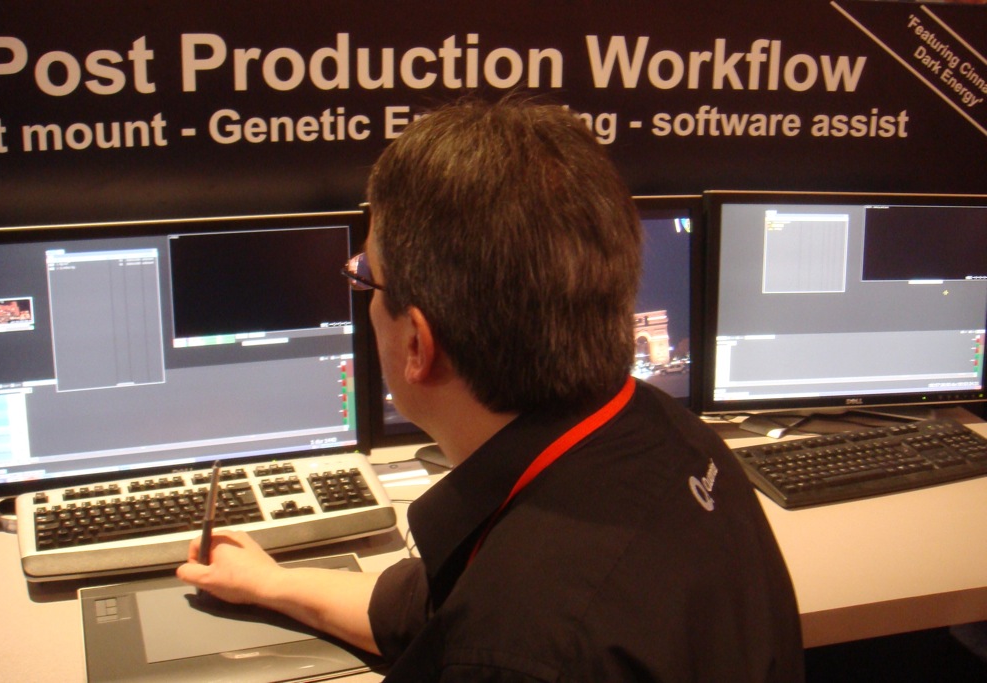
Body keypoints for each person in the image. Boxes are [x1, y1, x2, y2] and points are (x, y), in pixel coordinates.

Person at [177, 96, 804, 682]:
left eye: (366, 276)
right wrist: (270, 584)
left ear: (418, 345)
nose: (362, 292)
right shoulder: (667, 432)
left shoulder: (512, 649)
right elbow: (437, 608)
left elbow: (485, 625)